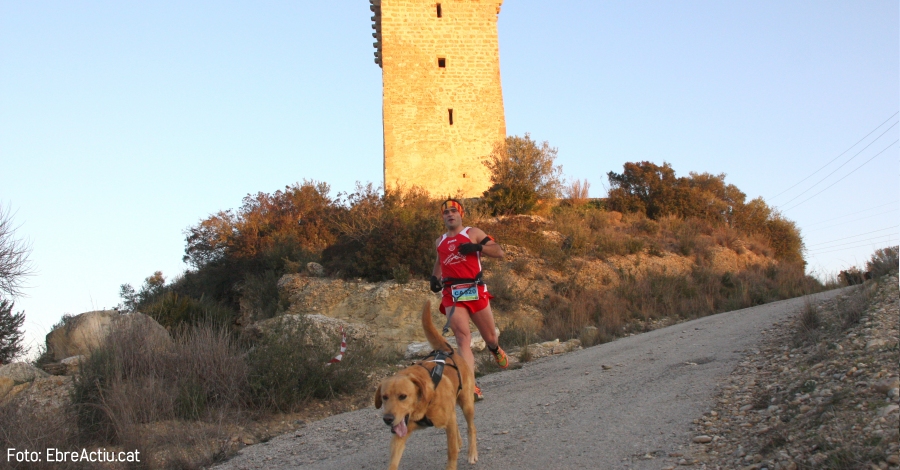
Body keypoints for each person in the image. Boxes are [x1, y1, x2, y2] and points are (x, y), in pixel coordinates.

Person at [430, 198, 509, 401]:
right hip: (452, 293)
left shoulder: (473, 233)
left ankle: (494, 349)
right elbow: (439, 261)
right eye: (446, 212)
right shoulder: (440, 241)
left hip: (475, 289)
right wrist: (434, 278)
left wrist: (477, 248)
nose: (450, 214)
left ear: (461, 214)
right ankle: (470, 386)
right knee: (462, 337)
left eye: (453, 211)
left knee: (490, 337)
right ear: (442, 217)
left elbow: (499, 252)